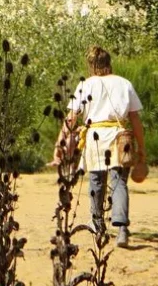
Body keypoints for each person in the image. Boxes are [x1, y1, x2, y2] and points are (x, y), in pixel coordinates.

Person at [58, 45, 147, 248]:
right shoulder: (124, 84)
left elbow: (72, 118)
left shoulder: (86, 85)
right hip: (119, 136)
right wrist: (142, 148)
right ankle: (122, 228)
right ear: (109, 63)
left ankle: (98, 223)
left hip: (95, 137)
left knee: (96, 181)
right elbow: (135, 120)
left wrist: (60, 141)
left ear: (91, 65)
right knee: (119, 182)